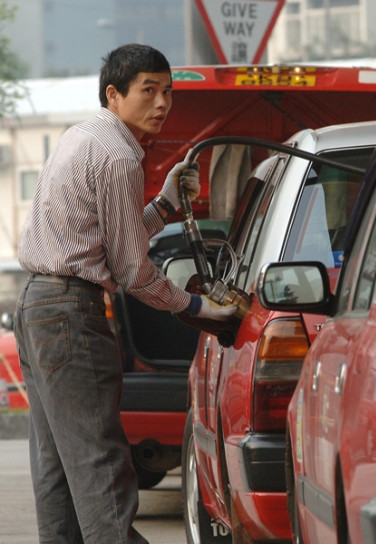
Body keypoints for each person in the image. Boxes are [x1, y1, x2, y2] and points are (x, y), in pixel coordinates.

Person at [13, 44, 235, 544]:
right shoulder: (118, 156)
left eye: (168, 92)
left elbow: (111, 240)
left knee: (57, 469)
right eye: (148, 91)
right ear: (114, 94)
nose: (161, 104)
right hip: (70, 311)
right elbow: (133, 271)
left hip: (38, 305)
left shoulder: (83, 137)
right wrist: (199, 308)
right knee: (101, 471)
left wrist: (165, 203)